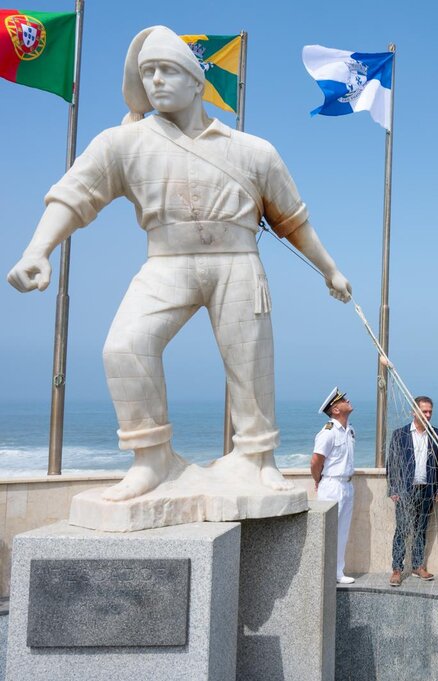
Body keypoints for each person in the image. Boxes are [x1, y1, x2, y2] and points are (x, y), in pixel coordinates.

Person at [6, 26, 351, 502]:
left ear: (196, 80)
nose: (156, 82)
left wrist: (330, 269)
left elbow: (294, 220)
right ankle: (151, 459)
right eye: (148, 73)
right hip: (166, 259)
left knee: (250, 363)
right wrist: (36, 250)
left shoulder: (253, 151)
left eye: (167, 70)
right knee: (124, 348)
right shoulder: (122, 143)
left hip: (237, 261)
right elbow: (74, 194)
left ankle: (258, 458)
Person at [386, 396, 438, 587]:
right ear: (414, 412)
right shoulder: (400, 434)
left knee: (421, 529)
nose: (427, 415)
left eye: (430, 412)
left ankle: (418, 566)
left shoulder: (436, 434)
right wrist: (393, 489)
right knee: (402, 529)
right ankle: (397, 569)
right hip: (405, 490)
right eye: (424, 411)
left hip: (427, 490)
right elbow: (392, 464)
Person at [311, 388, 357, 585]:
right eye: (343, 400)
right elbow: (316, 461)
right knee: (328, 531)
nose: (348, 400)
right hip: (331, 484)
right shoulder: (327, 432)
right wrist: (317, 480)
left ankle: (338, 572)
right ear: (336, 409)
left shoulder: (350, 430)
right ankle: (321, 573)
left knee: (342, 531)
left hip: (346, 485)